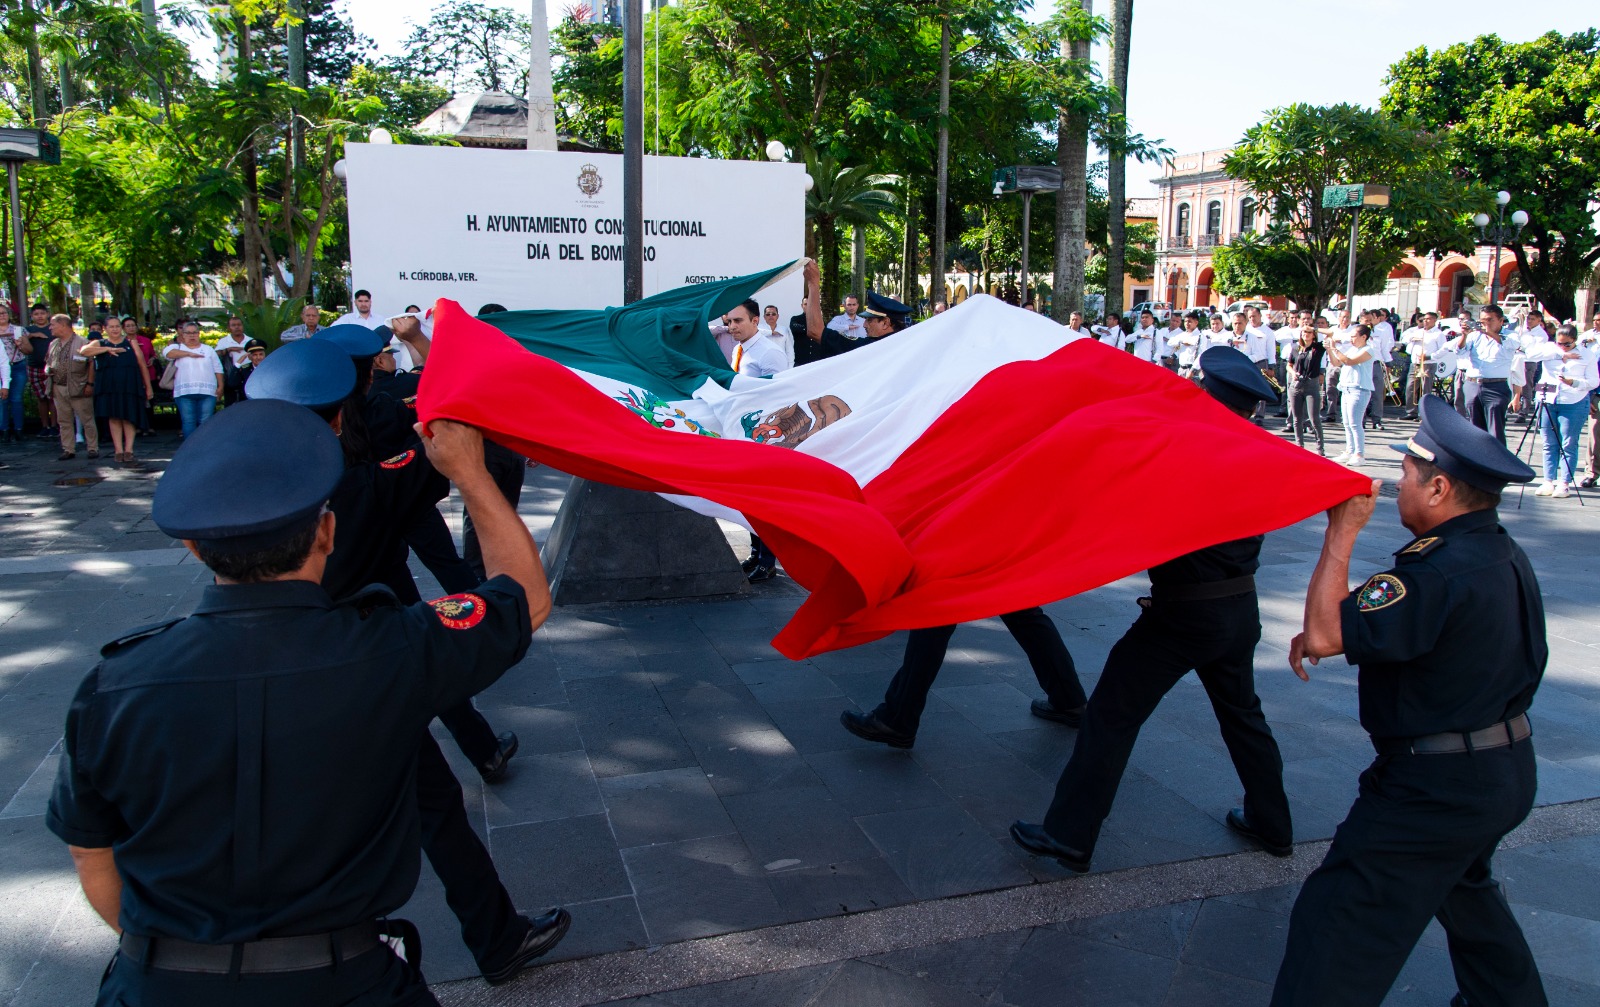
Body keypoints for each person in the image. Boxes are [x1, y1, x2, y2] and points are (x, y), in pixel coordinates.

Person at [46, 396, 565, 1006]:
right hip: (345, 981)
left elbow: (90, 851)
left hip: (153, 983)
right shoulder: (394, 649)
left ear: (193, 547)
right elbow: (524, 599)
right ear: (326, 530)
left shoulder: (114, 684)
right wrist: (472, 474)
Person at [245, 340, 564, 985]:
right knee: (435, 810)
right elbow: (453, 455)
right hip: (365, 669)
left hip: (254, 680)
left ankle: (494, 935)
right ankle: (493, 937)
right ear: (339, 417)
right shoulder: (362, 490)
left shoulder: (237, 496)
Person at [1271, 395, 1545, 1007]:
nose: (1397, 488)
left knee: (1337, 923)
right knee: (1468, 898)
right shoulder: (1498, 551)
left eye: (1408, 477)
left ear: (1440, 488)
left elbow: (1324, 635)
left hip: (1435, 788)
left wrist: (1341, 529)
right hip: (1501, 771)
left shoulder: (1430, 572)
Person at [1011, 347, 1294, 873]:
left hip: (1183, 617)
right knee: (1243, 716)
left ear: (1206, 394)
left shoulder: (1187, 451)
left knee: (1111, 714)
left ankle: (1068, 835)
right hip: (1238, 609)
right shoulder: (1258, 452)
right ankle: (1273, 823)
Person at [841, 609, 1087, 749]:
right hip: (999, 529)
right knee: (1021, 609)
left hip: (971, 529)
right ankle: (1068, 699)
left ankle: (897, 718)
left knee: (937, 608)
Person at [1517, 323, 1597, 497]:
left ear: (1575, 340)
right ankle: (1548, 481)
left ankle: (1565, 482)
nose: (1563, 346)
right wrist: (1561, 353)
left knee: (1568, 443)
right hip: (1548, 399)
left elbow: (1593, 381)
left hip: (1573, 400)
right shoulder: (1550, 349)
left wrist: (1574, 382)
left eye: (1567, 344)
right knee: (1548, 443)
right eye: (1559, 342)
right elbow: (1529, 354)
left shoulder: (1587, 355)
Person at [1442, 304, 1521, 444]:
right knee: (1475, 429)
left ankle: (1497, 462)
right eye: (1482, 320)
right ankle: (1478, 460)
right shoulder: (1475, 335)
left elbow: (1511, 345)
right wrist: (1464, 336)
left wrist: (1488, 332)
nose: (1485, 324)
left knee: (1495, 428)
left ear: (1501, 321)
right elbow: (1460, 351)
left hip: (1496, 386)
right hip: (1473, 383)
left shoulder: (1511, 335)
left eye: (1490, 320)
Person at [80, 316, 154, 463]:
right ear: (105, 329)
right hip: (109, 387)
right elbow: (84, 351)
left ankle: (129, 450)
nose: (115, 329)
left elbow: (142, 365)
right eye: (111, 327)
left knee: (128, 417)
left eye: (117, 326)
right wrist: (107, 349)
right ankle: (118, 450)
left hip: (129, 385)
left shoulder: (131, 343)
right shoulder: (100, 343)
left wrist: (148, 387)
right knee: (114, 417)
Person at [45, 313, 99, 460]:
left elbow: (91, 364)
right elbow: (48, 362)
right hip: (58, 387)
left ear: (63, 325)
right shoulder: (53, 344)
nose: (50, 328)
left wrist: (90, 383)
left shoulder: (83, 342)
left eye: (52, 325)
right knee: (63, 420)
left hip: (79, 386)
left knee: (87, 418)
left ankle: (92, 448)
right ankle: (68, 449)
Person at [162, 320, 225, 438]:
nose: (192, 335)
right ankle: (190, 450)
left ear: (199, 334)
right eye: (188, 333)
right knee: (188, 421)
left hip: (207, 391)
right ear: (183, 334)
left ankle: (204, 448)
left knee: (206, 421)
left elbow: (218, 369)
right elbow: (168, 354)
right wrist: (189, 354)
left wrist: (220, 386)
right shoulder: (177, 347)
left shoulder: (208, 350)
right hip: (184, 392)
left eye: (194, 333)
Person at [1326, 323, 1374, 465]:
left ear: (1364, 337)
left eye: (1354, 336)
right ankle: (1349, 451)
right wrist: (1330, 350)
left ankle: (1359, 454)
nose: (1351, 339)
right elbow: (1336, 363)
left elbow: (1348, 361)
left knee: (1355, 423)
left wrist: (1335, 347)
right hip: (1346, 388)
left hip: (1359, 389)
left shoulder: (1368, 349)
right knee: (1346, 423)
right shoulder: (1352, 349)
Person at [1286, 320, 1327, 455]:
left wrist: (1315, 328)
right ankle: (1299, 446)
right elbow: (1289, 364)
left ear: (1314, 334)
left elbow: (1331, 334)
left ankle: (1320, 447)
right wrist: (1293, 374)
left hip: (1311, 384)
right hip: (1296, 384)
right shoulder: (1296, 347)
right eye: (1304, 332)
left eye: (1309, 332)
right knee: (1297, 418)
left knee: (1314, 418)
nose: (1306, 334)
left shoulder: (1318, 348)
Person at [1401, 311, 1448, 419]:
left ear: (1434, 320)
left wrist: (1430, 356)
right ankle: (1411, 412)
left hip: (1428, 364)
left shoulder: (1438, 334)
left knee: (1425, 389)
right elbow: (1404, 339)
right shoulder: (1418, 331)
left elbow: (1444, 349)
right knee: (1410, 388)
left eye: (1428, 319)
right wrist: (1411, 339)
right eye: (1424, 319)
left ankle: (1424, 414)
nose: (1425, 321)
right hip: (1415, 363)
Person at [25, 304, 56, 440]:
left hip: (52, 367)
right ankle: (45, 426)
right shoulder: (27, 330)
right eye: (36, 314)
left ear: (48, 314)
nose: (39, 316)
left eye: (42, 313)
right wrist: (32, 335)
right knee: (41, 398)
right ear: (32, 316)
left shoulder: (53, 329)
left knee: (53, 398)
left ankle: (55, 426)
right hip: (34, 367)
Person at [1364, 308, 1395, 430]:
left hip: (1376, 363)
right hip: (1363, 364)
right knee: (1364, 393)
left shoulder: (1383, 330)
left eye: (1372, 319)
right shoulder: (1361, 330)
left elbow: (1384, 348)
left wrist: (1388, 364)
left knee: (1377, 394)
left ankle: (1376, 420)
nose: (1370, 321)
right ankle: (1362, 420)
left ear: (1377, 318)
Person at [0, 305, 27, 442]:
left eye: (4, 313)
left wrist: (21, 344)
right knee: (2, 400)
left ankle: (19, 429)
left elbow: (29, 349)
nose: (2, 315)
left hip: (17, 365)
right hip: (1, 368)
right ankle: (4, 429)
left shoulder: (17, 329)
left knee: (16, 399)